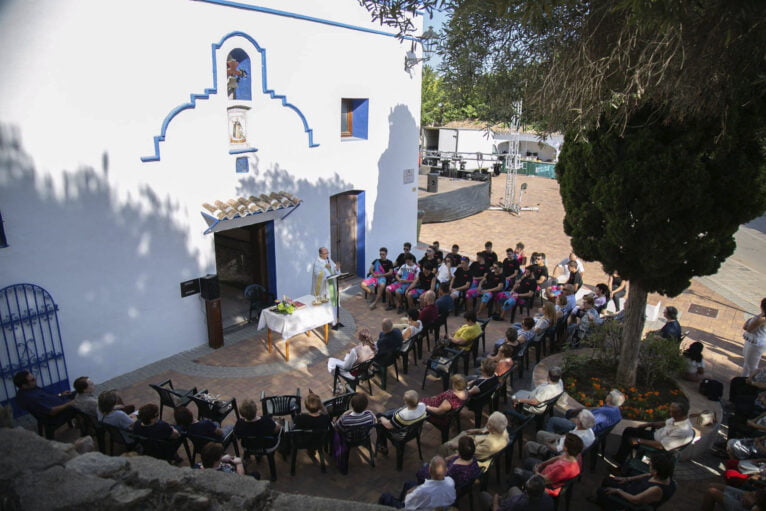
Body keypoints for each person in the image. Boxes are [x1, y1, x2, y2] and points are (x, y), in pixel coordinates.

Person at [613, 401, 693, 464]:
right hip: (655, 436)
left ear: (679, 413)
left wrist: (638, 440)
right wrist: (649, 424)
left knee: (629, 440)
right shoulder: (677, 418)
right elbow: (665, 423)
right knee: (629, 430)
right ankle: (620, 457)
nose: (670, 414)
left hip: (657, 447)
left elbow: (661, 446)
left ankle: (620, 464)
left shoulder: (682, 431)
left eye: (672, 412)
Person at [511, 433, 583, 498]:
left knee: (516, 472)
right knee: (528, 461)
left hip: (544, 484)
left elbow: (545, 480)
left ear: (566, 448)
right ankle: (524, 486)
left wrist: (536, 472)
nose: (562, 443)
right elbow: (557, 458)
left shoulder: (563, 468)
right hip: (546, 471)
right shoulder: (573, 455)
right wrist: (542, 464)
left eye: (564, 443)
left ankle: (514, 497)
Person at [596, 453, 676, 510]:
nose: (649, 466)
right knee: (607, 480)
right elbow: (646, 475)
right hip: (632, 487)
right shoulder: (664, 475)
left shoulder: (656, 489)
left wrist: (618, 491)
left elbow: (635, 499)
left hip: (630, 499)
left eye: (650, 465)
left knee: (602, 491)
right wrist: (627, 479)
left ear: (656, 471)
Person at [379, 456, 456, 510]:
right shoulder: (450, 481)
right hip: (440, 504)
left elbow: (408, 504)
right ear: (446, 470)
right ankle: (399, 501)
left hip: (414, 507)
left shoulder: (423, 490)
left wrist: (410, 494)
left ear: (429, 470)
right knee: (408, 484)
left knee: (385, 496)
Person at [439, 411, 509, 469]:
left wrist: (455, 450)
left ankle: (439, 468)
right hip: (472, 441)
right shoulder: (501, 428)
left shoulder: (489, 445)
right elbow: (485, 430)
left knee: (445, 447)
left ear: (494, 429)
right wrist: (475, 430)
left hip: (468, 452)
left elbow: (469, 454)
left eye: (489, 425)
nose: (487, 425)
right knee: (463, 433)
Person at [546, 389, 625, 437]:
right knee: (571, 413)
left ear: (610, 399)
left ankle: (548, 448)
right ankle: (559, 434)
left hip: (583, 431)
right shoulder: (617, 412)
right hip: (593, 431)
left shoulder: (604, 413)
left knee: (553, 420)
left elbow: (585, 423)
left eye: (609, 395)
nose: (607, 395)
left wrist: (573, 419)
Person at [523, 409, 595, 460]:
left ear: (580, 422)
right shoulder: (587, 428)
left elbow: (559, 449)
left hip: (562, 452)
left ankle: (542, 456)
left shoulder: (578, 438)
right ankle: (542, 454)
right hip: (563, 441)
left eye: (577, 418)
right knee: (540, 433)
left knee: (529, 445)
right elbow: (569, 434)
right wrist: (556, 438)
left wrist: (548, 444)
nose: (575, 418)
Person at [375, 389, 428, 455]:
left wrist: (381, 417)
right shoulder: (423, 405)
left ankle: (382, 446)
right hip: (413, 431)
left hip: (400, 435)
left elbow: (388, 425)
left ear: (406, 402)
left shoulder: (402, 415)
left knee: (379, 423)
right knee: (390, 413)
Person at [480, 474, 553, 511]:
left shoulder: (518, 503)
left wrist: (495, 499)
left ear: (526, 490)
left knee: (483, 495)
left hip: (513, 506)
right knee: (513, 489)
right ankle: (503, 500)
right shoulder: (549, 499)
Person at [742, 298, 766, 377]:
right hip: (753, 341)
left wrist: (749, 322)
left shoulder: (762, 319)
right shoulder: (761, 316)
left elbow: (749, 329)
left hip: (755, 344)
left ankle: (750, 380)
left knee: (751, 365)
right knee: (747, 362)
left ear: (761, 306)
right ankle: (744, 378)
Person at [702, 486, 766, 511]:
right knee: (712, 485)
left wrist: (753, 505)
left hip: (754, 506)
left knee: (711, 491)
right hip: (756, 496)